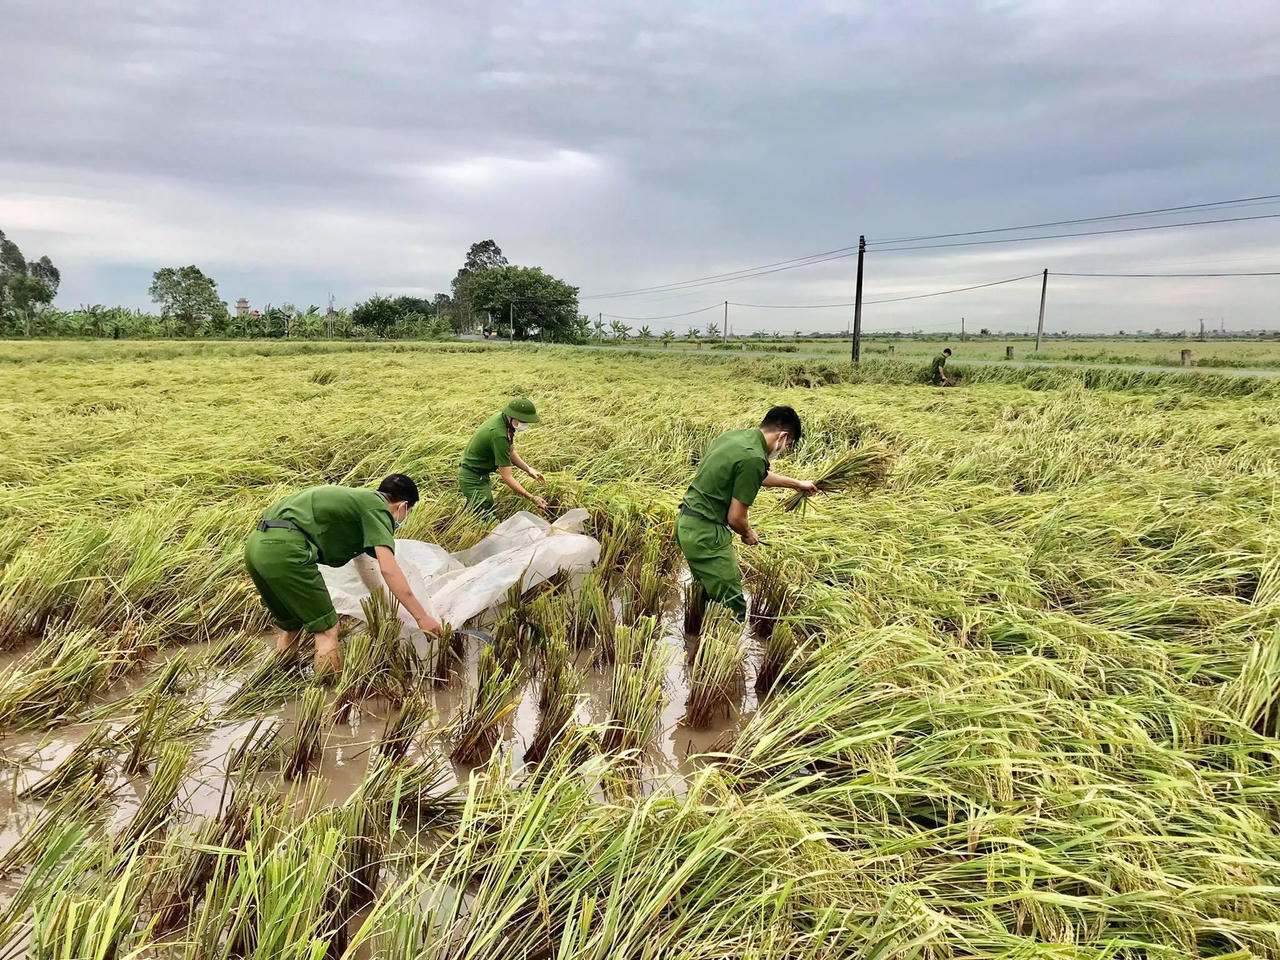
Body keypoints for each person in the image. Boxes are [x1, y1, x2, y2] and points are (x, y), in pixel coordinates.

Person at [244, 474, 442, 675]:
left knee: (293, 625)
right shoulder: (378, 509)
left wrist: (387, 608)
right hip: (286, 551)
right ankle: (330, 697)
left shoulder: (358, 503)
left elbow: (366, 566)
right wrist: (422, 617)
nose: (404, 518)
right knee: (328, 630)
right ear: (402, 506)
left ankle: (278, 678)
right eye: (409, 512)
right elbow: (389, 569)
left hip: (256, 547)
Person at [675, 406, 818, 619]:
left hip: (686, 524)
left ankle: (695, 642)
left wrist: (796, 483)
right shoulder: (753, 458)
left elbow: (758, 474)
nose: (783, 449)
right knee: (733, 607)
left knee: (705, 594)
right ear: (782, 436)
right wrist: (748, 533)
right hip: (707, 534)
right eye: (787, 445)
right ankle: (720, 649)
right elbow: (736, 518)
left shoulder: (734, 438)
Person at [458, 396, 548, 515]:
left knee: (475, 507)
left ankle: (464, 518)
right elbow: (507, 476)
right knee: (484, 509)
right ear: (512, 416)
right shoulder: (499, 435)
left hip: (479, 472)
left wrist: (528, 469)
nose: (525, 424)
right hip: (472, 475)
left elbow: (510, 451)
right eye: (523, 421)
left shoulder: (503, 420)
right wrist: (532, 498)